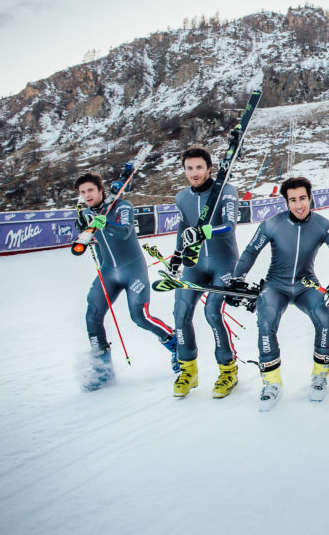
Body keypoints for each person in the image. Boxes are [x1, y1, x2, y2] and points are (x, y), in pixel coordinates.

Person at [230, 177, 329, 410]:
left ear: (310, 198)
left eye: (303, 199)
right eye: (293, 200)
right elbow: (250, 252)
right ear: (286, 202)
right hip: (277, 285)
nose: (299, 205)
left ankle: (320, 375)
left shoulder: (324, 225)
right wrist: (238, 278)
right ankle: (271, 383)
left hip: (307, 284)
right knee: (266, 319)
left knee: (325, 316)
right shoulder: (271, 224)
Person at [74, 173, 177, 390]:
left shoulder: (122, 206)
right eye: (82, 192)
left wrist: (105, 223)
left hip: (133, 271)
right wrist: (83, 229)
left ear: (101, 190)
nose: (86, 196)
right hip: (108, 272)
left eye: (90, 190)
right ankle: (102, 370)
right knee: (92, 315)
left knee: (140, 316)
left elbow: (126, 233)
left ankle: (176, 345)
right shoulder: (87, 212)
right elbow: (85, 240)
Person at [170, 146, 240, 398]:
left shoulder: (226, 191)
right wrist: (177, 255)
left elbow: (229, 226)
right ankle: (188, 370)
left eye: (199, 167)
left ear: (209, 168)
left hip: (224, 262)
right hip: (195, 264)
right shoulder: (182, 197)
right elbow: (183, 226)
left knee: (212, 312)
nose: (194, 173)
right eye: (189, 168)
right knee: (180, 311)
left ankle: (228, 370)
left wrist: (204, 231)